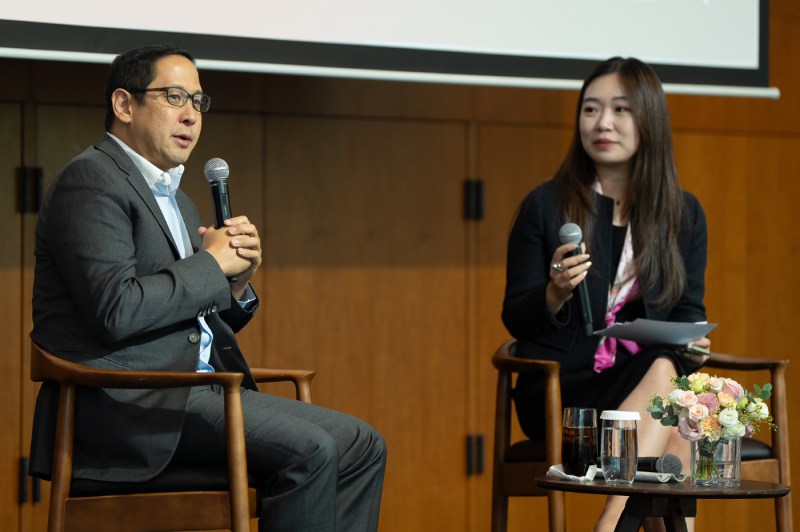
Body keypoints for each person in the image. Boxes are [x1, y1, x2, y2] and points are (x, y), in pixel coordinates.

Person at [28, 43, 387, 532]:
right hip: (129, 406)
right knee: (312, 450)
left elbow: (191, 318)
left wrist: (234, 284)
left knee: (364, 445)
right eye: (175, 97)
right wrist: (209, 266)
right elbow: (116, 310)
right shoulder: (91, 182)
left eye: (198, 102)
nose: (191, 116)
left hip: (194, 392)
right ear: (124, 105)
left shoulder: (179, 200)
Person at [502, 57, 710, 531]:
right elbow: (515, 317)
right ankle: (608, 526)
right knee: (672, 397)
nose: (603, 123)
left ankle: (612, 524)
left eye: (620, 110)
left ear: (649, 121)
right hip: (561, 389)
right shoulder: (546, 204)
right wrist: (555, 293)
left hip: (637, 382)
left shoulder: (683, 214)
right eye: (591, 109)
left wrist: (693, 342)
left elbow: (688, 310)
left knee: (678, 409)